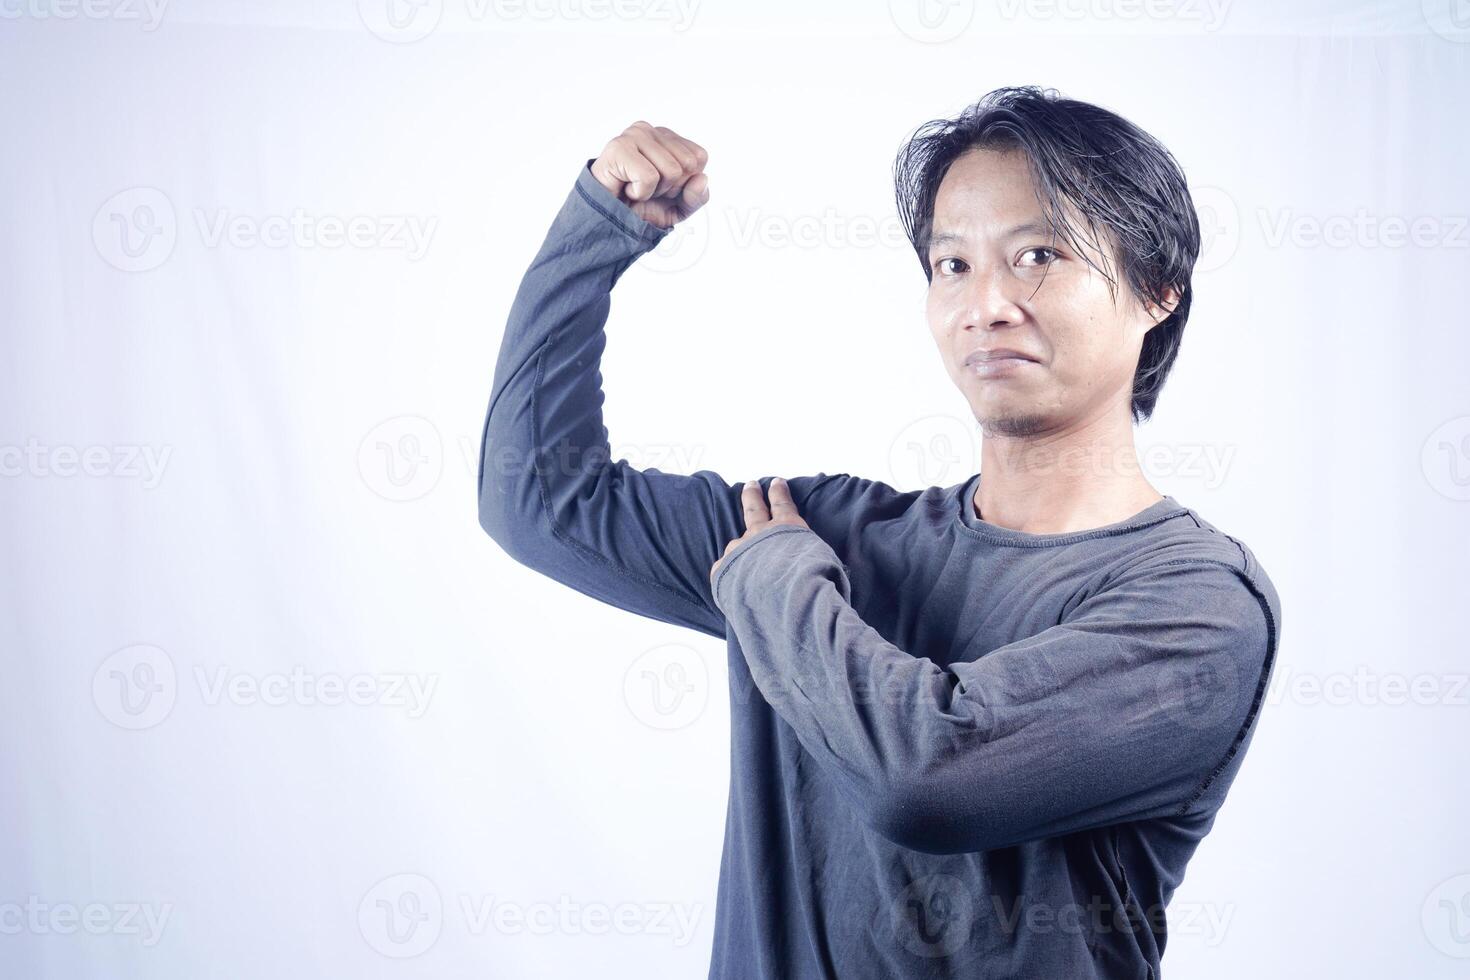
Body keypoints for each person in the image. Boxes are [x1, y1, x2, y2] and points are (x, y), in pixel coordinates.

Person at [476, 85, 1283, 979]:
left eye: (1038, 256)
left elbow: (930, 780)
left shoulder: (1201, 605)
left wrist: (776, 584)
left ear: (1158, 287)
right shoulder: (832, 533)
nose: (987, 306)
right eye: (952, 266)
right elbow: (540, 501)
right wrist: (597, 230)